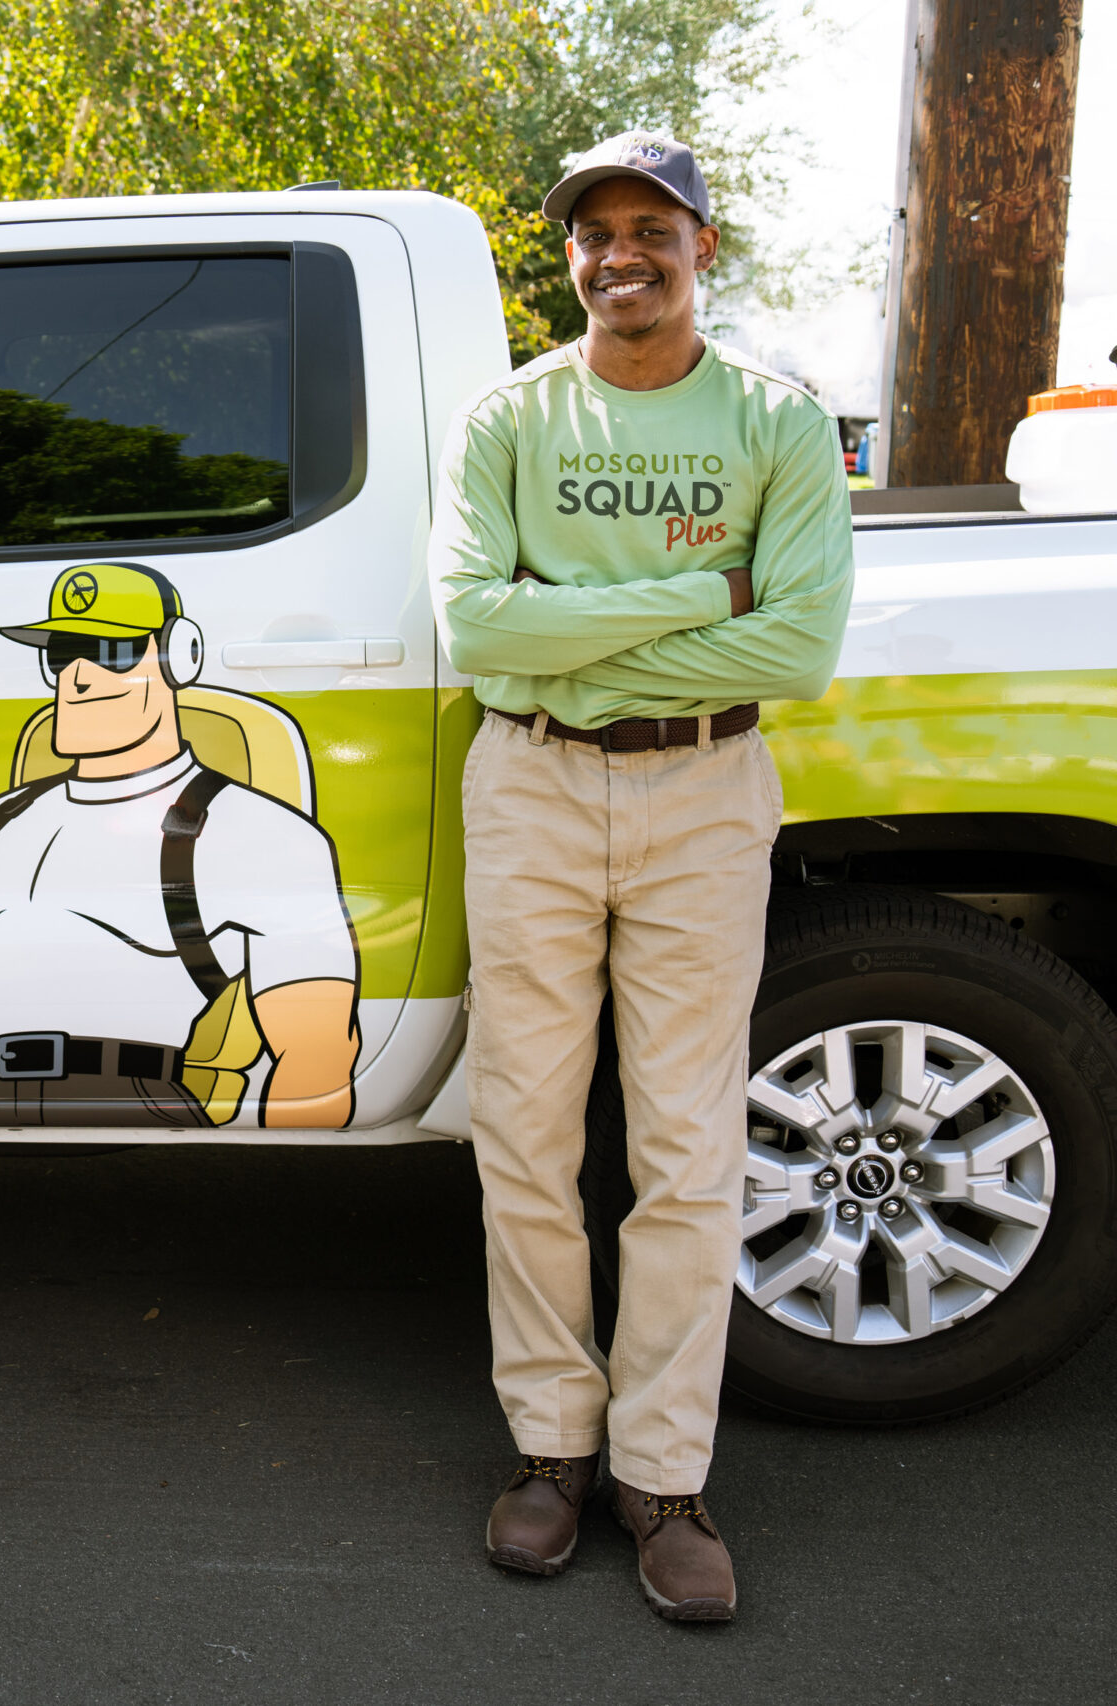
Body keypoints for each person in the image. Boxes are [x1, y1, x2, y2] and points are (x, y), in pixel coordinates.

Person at [428, 132, 852, 1620]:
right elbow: (479, 631)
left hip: (707, 790)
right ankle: (549, 1449)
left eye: (651, 228)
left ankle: (663, 1476)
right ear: (571, 258)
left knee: (685, 1144)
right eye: (595, 233)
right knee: (525, 1132)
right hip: (533, 785)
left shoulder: (778, 424)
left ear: (702, 247)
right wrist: (703, 592)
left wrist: (583, 619)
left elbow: (797, 646)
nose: (622, 254)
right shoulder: (511, 419)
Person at [0, 562, 359, 1130]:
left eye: (111, 652)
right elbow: (4, 1027)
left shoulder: (256, 830)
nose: (78, 679)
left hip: (144, 1113)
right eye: (62, 655)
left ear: (181, 656)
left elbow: (318, 1058)